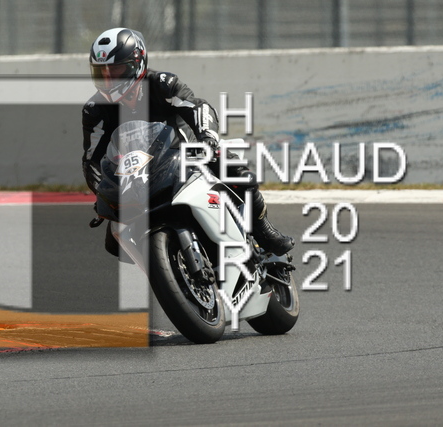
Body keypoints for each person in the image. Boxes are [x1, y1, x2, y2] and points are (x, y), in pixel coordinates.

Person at [82, 28, 294, 257]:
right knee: (114, 242)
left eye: (116, 70)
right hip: (138, 174)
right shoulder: (95, 110)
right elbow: (92, 160)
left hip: (185, 155)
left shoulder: (162, 84)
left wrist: (208, 139)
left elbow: (198, 107)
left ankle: (264, 230)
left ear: (137, 63)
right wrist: (103, 191)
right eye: (101, 73)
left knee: (239, 174)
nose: (108, 79)